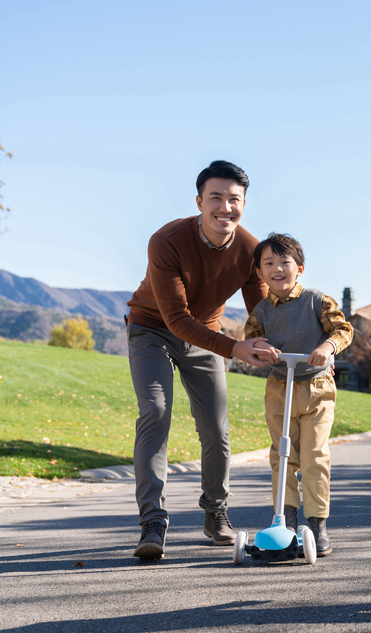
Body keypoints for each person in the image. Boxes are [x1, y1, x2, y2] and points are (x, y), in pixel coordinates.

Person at [126, 160, 276, 560]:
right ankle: (152, 522)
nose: (225, 207)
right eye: (215, 198)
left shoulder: (250, 249)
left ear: (244, 203)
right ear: (199, 201)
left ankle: (216, 512)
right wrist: (234, 348)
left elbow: (264, 314)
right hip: (152, 330)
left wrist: (310, 350)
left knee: (215, 428)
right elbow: (175, 318)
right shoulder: (167, 241)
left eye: (234, 199)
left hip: (205, 336)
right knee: (155, 412)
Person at [243, 233, 353, 557]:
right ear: (260, 274)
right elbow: (251, 339)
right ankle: (285, 519)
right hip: (280, 387)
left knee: (314, 455)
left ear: (300, 268)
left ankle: (317, 523)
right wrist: (262, 348)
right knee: (281, 454)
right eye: (268, 264)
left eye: (284, 262)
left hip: (317, 387)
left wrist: (326, 347)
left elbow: (342, 329)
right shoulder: (260, 311)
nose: (277, 269)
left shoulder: (318, 300)